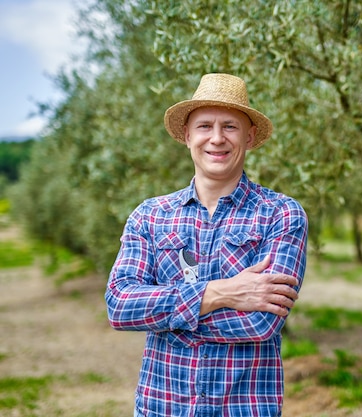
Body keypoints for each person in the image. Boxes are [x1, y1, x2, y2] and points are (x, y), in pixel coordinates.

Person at [105, 73, 308, 417]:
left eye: (230, 126)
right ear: (186, 135)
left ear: (250, 135)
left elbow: (261, 323)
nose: (216, 138)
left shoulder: (282, 214)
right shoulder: (150, 215)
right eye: (204, 127)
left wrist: (165, 317)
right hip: (161, 408)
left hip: (245, 409)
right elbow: (120, 306)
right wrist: (220, 293)